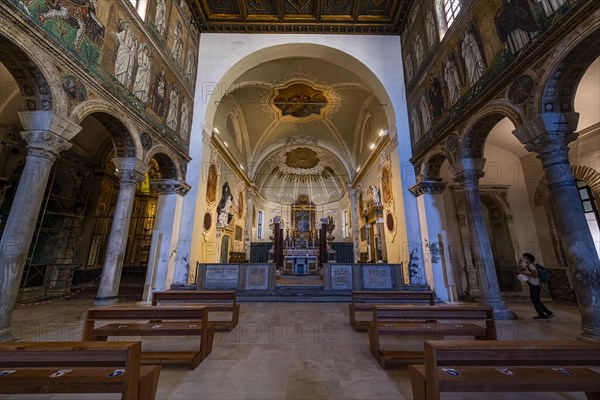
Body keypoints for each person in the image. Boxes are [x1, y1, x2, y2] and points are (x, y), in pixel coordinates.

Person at [519, 253, 554, 320]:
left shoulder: (531, 265)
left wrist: (524, 273)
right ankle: (548, 313)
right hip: (533, 285)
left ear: (529, 258)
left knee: (535, 300)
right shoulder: (528, 265)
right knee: (536, 300)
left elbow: (535, 275)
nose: (524, 259)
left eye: (525, 258)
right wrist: (520, 263)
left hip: (535, 285)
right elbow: (520, 271)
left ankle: (542, 315)